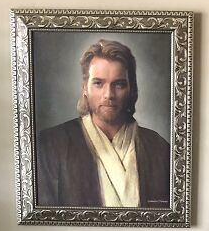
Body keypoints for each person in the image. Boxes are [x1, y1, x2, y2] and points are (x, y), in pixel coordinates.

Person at [36, 39, 170, 207]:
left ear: (132, 88)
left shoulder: (158, 147)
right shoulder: (52, 144)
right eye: (98, 83)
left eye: (119, 84)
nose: (109, 94)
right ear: (85, 87)